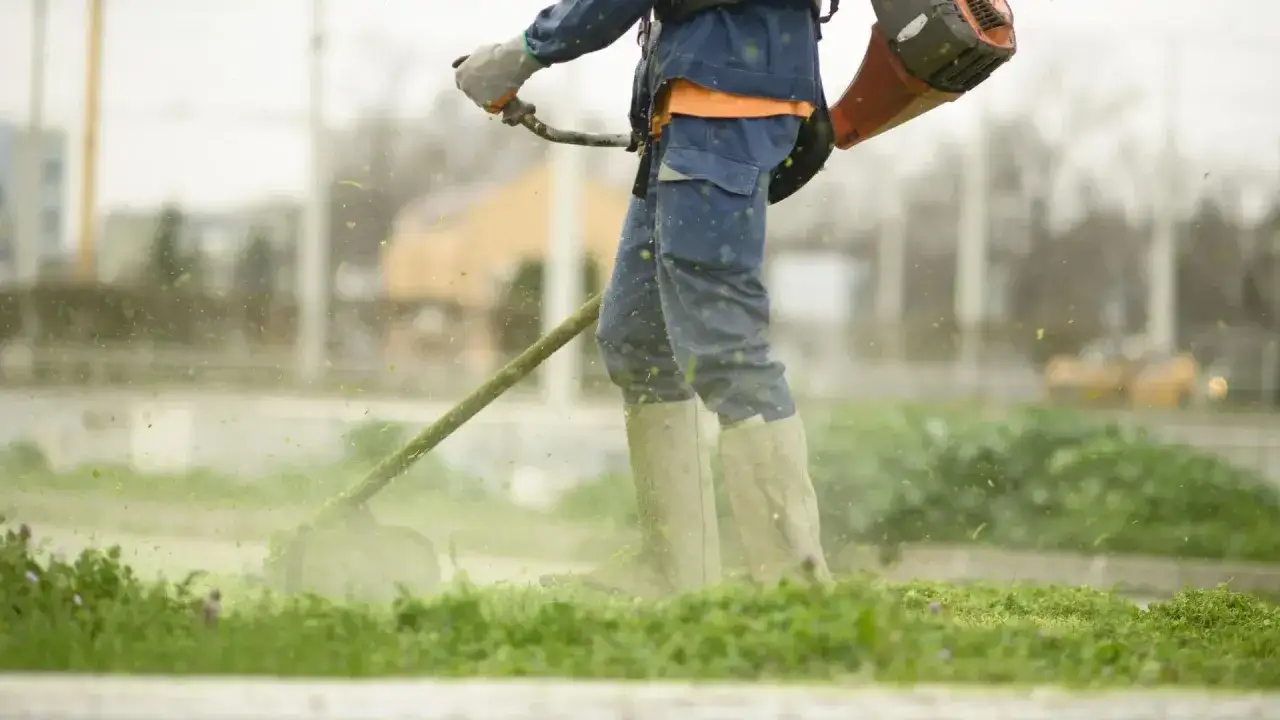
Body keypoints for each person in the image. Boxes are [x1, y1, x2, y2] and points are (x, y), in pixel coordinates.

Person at [455, 0, 832, 595]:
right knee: (638, 339)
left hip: (724, 109)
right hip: (686, 115)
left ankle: (797, 590)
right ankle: (678, 573)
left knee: (724, 346)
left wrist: (520, 54)